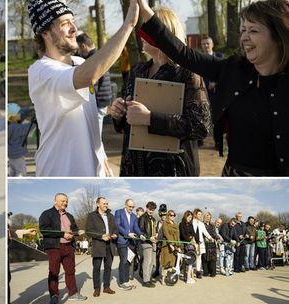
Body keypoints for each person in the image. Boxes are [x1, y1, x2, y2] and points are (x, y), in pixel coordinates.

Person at [137, 0, 289, 176]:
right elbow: (183, 54)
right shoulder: (233, 69)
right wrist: (145, 10)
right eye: (243, 30)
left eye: (253, 30)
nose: (244, 37)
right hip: (235, 178)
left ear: (278, 37)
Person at [27, 0, 139, 176]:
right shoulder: (40, 72)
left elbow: (89, 120)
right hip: (60, 172)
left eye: (73, 21)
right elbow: (90, 74)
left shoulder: (79, 62)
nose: (74, 29)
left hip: (94, 171)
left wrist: (101, 155)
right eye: (65, 24)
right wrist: (129, 24)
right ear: (45, 33)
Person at [109, 6, 210, 177]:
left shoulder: (187, 73)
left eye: (149, 27)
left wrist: (150, 118)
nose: (142, 34)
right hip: (135, 167)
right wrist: (119, 114)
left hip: (172, 169)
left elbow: (200, 126)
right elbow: (128, 125)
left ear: (165, 33)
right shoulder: (137, 71)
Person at [39, 193, 87, 303]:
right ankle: (54, 296)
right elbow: (44, 230)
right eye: (62, 201)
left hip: (68, 246)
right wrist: (62, 234)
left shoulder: (70, 216)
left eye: (66, 201)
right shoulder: (47, 214)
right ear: (55, 201)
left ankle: (73, 293)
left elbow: (74, 228)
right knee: (54, 272)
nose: (65, 203)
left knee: (70, 271)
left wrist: (77, 232)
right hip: (54, 247)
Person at [76, 32, 115, 134]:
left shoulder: (92, 60)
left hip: (98, 101)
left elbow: (93, 84)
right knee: (96, 133)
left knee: (95, 135)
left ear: (83, 46)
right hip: (103, 98)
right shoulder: (98, 55)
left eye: (78, 49)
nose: (78, 53)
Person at [85, 197, 118, 297]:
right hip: (98, 245)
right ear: (98, 204)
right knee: (97, 268)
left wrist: (115, 234)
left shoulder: (111, 216)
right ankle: (97, 288)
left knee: (108, 267)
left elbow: (116, 229)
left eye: (107, 203)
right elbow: (88, 231)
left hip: (110, 245)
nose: (106, 205)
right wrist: (101, 236)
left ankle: (106, 287)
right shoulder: (92, 216)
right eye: (104, 203)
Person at [200, 36, 225, 155]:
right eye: (204, 44)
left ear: (212, 45)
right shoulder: (198, 58)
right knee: (201, 115)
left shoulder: (220, 57)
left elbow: (225, 74)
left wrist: (216, 83)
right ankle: (199, 140)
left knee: (217, 118)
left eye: (207, 44)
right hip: (202, 92)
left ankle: (218, 143)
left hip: (217, 93)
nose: (206, 46)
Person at [115, 198, 145, 290]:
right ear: (125, 205)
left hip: (131, 242)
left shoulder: (134, 217)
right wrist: (127, 233)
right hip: (122, 240)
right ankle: (122, 282)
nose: (131, 208)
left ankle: (126, 280)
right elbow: (117, 225)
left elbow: (136, 227)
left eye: (133, 207)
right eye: (130, 206)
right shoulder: (118, 212)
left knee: (128, 261)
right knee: (123, 260)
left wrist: (140, 235)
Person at [7, 103, 34, 177]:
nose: (20, 114)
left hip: (11, 155)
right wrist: (35, 121)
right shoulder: (16, 128)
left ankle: (12, 176)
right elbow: (28, 128)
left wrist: (30, 108)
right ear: (12, 117)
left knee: (13, 170)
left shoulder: (10, 124)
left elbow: (22, 113)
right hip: (18, 156)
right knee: (21, 172)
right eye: (18, 113)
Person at [137, 201, 157, 288]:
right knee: (147, 261)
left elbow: (154, 230)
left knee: (152, 262)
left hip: (153, 242)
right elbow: (141, 231)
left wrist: (155, 236)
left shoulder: (153, 219)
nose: (151, 211)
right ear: (147, 208)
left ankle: (148, 277)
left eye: (153, 209)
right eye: (150, 209)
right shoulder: (142, 217)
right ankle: (145, 281)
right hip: (146, 242)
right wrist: (149, 237)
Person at [192, 208, 213, 279]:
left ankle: (198, 272)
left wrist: (210, 238)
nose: (200, 216)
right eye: (199, 214)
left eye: (201, 214)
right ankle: (190, 272)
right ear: (195, 214)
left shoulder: (201, 224)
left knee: (199, 257)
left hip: (200, 243)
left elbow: (205, 232)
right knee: (192, 257)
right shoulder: (192, 222)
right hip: (193, 242)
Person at [159, 209, 179, 285]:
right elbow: (166, 233)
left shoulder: (175, 224)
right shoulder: (165, 223)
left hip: (174, 246)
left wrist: (178, 245)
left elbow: (177, 236)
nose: (172, 216)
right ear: (168, 215)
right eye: (171, 215)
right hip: (167, 245)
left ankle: (169, 278)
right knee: (166, 262)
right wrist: (170, 244)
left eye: (174, 215)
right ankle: (163, 278)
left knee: (172, 262)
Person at [202, 212, 218, 277]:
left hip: (212, 244)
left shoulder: (212, 225)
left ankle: (213, 272)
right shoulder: (202, 224)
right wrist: (204, 238)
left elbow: (214, 233)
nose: (208, 219)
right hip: (205, 243)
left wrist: (218, 238)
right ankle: (206, 272)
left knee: (213, 259)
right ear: (204, 217)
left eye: (209, 217)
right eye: (206, 217)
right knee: (205, 258)